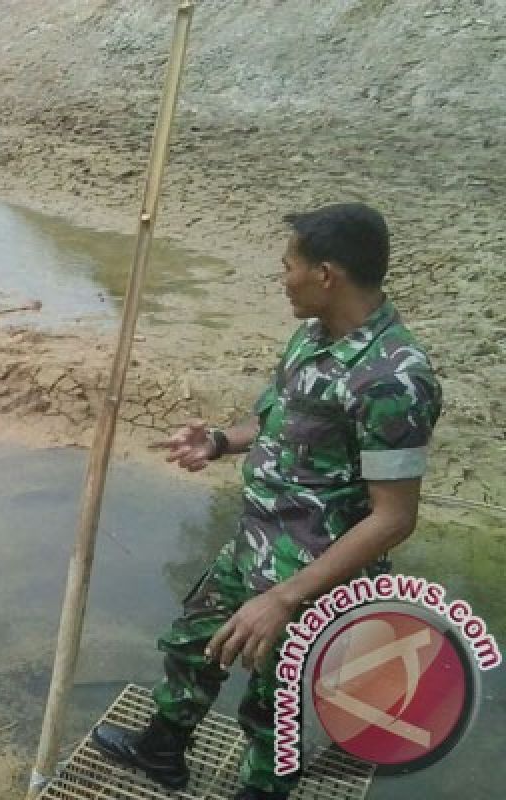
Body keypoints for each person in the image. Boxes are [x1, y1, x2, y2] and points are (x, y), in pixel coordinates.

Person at [88, 203, 443, 800]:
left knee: (271, 698)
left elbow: (394, 518)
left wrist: (284, 598)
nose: (282, 280)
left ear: (326, 275)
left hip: (316, 573)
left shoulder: (392, 380)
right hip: (258, 542)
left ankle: (264, 790)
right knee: (192, 643)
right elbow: (283, 420)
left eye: (288, 267)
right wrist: (221, 441)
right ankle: (163, 749)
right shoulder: (312, 337)